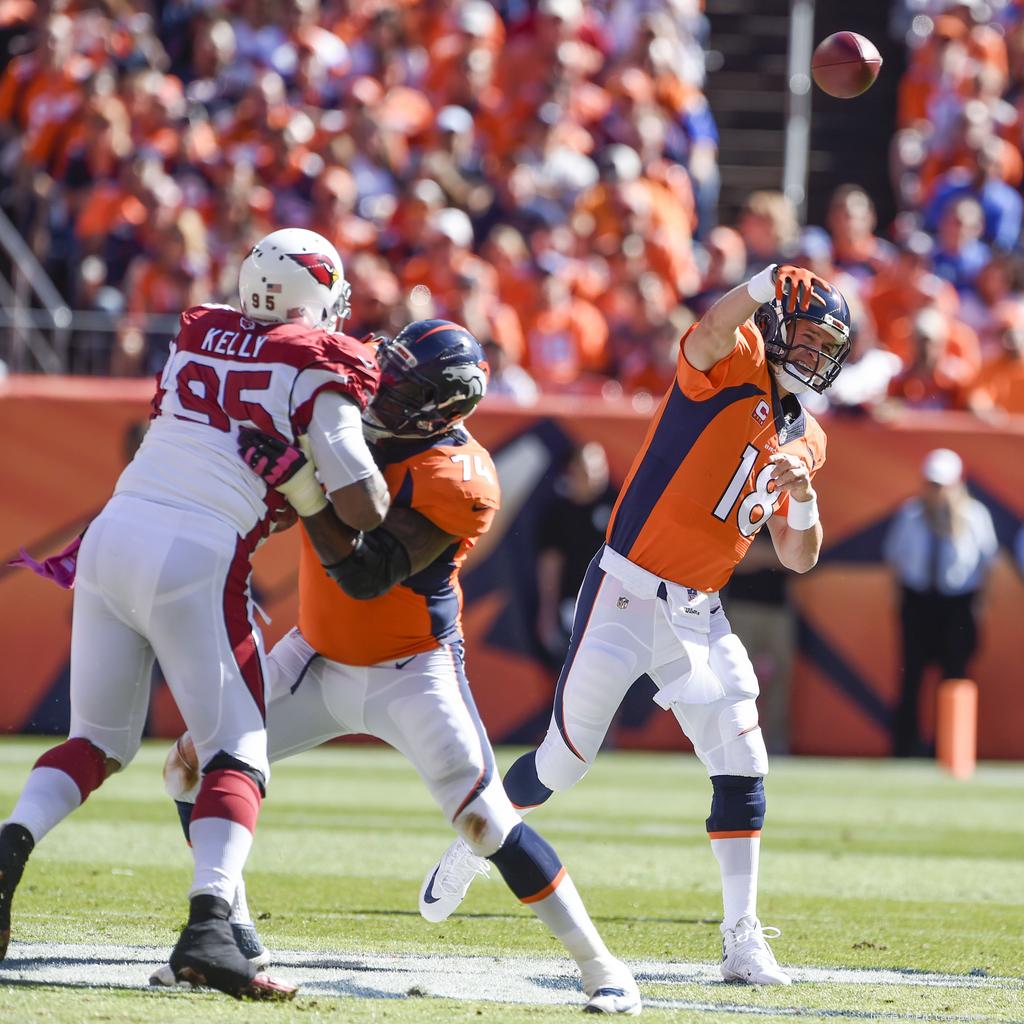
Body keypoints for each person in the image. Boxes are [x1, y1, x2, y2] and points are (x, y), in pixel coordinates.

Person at [158, 320, 643, 1015]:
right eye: (386, 368)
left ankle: (603, 967)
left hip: (411, 669)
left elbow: (364, 573)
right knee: (190, 768)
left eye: (402, 384)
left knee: (487, 822)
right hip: (315, 653)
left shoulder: (459, 476)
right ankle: (235, 934)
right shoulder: (344, 410)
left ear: (441, 408)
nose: (379, 386)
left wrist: (300, 482)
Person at [420, 263, 854, 987]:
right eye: (806, 337)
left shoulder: (809, 437)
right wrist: (765, 280)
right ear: (778, 327)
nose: (813, 356)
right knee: (562, 762)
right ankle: (478, 835)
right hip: (624, 590)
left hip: (699, 610)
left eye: (826, 346)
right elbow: (716, 326)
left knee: (743, 760)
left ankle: (741, 936)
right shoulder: (736, 359)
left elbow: (799, 556)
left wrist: (803, 495)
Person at [0, 228, 389, 999]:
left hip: (112, 535)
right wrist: (308, 487)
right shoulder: (318, 362)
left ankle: (10, 844)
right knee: (238, 751)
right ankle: (212, 925)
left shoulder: (201, 331)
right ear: (317, 297)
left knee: (95, 743)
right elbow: (366, 506)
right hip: (196, 553)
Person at [883, 449, 997, 758]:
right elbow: (897, 561)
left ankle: (950, 748)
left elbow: (986, 566)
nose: (935, 491)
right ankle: (904, 749)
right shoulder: (910, 514)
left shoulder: (975, 516)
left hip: (958, 605)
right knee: (912, 679)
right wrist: (899, 605)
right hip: (918, 602)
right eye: (931, 483)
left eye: (941, 484)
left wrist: (981, 608)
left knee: (954, 678)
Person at [535, 442, 617, 664]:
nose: (597, 474)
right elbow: (550, 564)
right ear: (573, 471)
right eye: (589, 468)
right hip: (574, 606)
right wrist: (548, 611)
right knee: (574, 668)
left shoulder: (618, 507)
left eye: (600, 467)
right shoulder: (559, 514)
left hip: (614, 607)